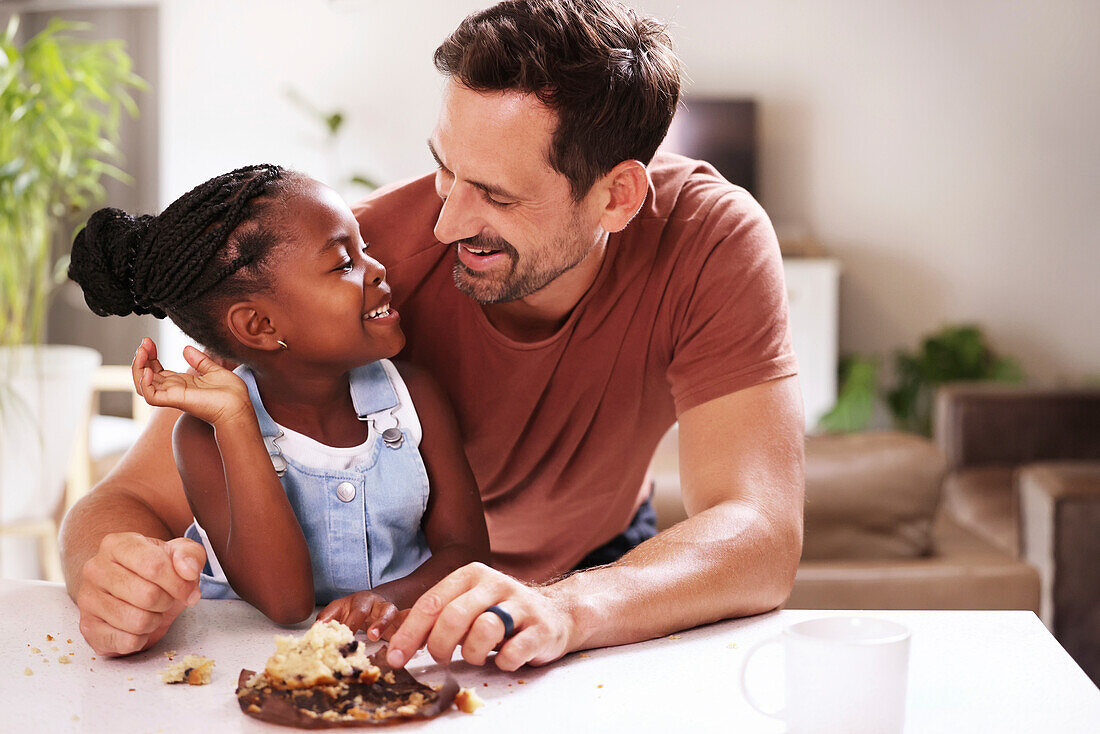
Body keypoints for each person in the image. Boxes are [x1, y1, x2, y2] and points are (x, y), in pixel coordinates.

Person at [62, 0, 804, 669]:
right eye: (446, 169)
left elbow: (760, 532)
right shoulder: (347, 281)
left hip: (597, 570)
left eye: (496, 194)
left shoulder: (708, 241)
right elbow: (121, 502)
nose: (446, 223)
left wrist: (567, 606)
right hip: (386, 595)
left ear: (616, 196)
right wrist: (114, 575)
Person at [67, 165, 490, 645]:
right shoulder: (202, 437)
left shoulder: (413, 400)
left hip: (384, 660)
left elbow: (467, 551)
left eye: (364, 248)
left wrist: (394, 596)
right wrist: (235, 419)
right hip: (236, 664)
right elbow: (286, 603)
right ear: (259, 326)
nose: (376, 269)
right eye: (343, 264)